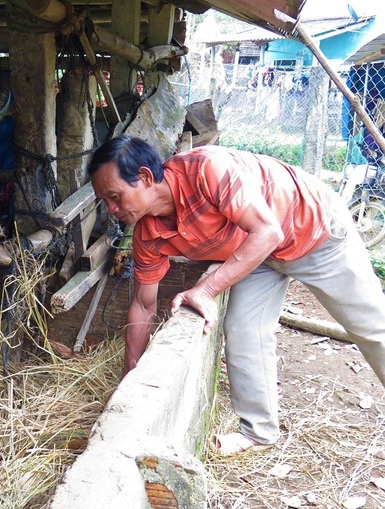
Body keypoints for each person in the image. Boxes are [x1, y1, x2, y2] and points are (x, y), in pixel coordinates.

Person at [88, 136, 385, 455]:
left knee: (370, 327)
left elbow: (269, 231)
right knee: (245, 332)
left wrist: (205, 288)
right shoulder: (148, 235)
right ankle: (259, 431)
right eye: (105, 201)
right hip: (257, 254)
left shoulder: (206, 170)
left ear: (145, 177)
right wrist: (130, 380)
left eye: (115, 197)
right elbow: (143, 305)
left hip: (313, 229)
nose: (112, 209)